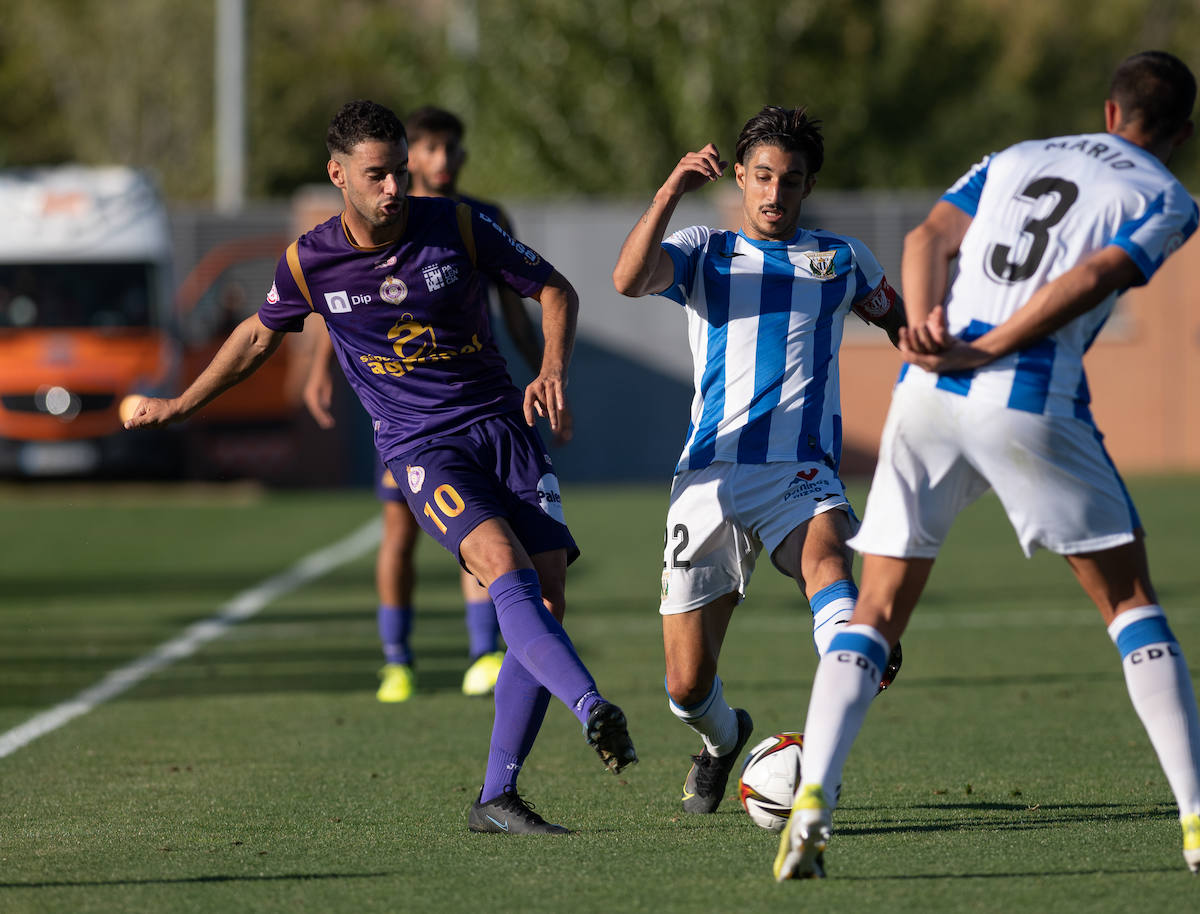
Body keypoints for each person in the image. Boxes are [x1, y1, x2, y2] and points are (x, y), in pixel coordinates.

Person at [774, 51, 1200, 879]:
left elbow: (927, 235)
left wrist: (930, 323)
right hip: (1028, 397)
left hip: (924, 393)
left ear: (1108, 111)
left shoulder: (1019, 155)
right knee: (1129, 600)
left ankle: (813, 803)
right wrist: (994, 346)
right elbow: (1095, 275)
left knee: (876, 610)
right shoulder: (1165, 197)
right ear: (1180, 132)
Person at [126, 99, 635, 833]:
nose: (395, 188)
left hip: (504, 430)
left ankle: (497, 797)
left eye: (399, 172)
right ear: (338, 175)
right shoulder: (310, 259)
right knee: (502, 568)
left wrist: (551, 367)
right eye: (377, 175)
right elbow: (255, 337)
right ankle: (591, 704)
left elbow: (554, 289)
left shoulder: (455, 223)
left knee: (548, 598)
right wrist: (180, 405)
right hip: (422, 448)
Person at [612, 106, 906, 817]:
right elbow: (626, 280)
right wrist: (668, 191)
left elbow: (906, 328)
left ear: (809, 187)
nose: (775, 193)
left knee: (828, 559)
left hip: (797, 471)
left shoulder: (840, 259)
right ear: (740, 178)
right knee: (685, 687)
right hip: (706, 479)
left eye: (792, 181)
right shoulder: (703, 247)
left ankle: (855, 649)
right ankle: (721, 742)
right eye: (764, 177)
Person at [302, 105, 564, 704]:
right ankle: (397, 659)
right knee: (399, 531)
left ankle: (483, 652)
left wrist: (544, 374)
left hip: (475, 406)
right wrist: (320, 372)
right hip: (405, 419)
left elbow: (522, 306)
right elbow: (325, 305)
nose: (441, 162)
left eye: (452, 149)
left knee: (485, 531)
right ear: (407, 157)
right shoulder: (349, 229)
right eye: (430, 150)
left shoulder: (474, 220)